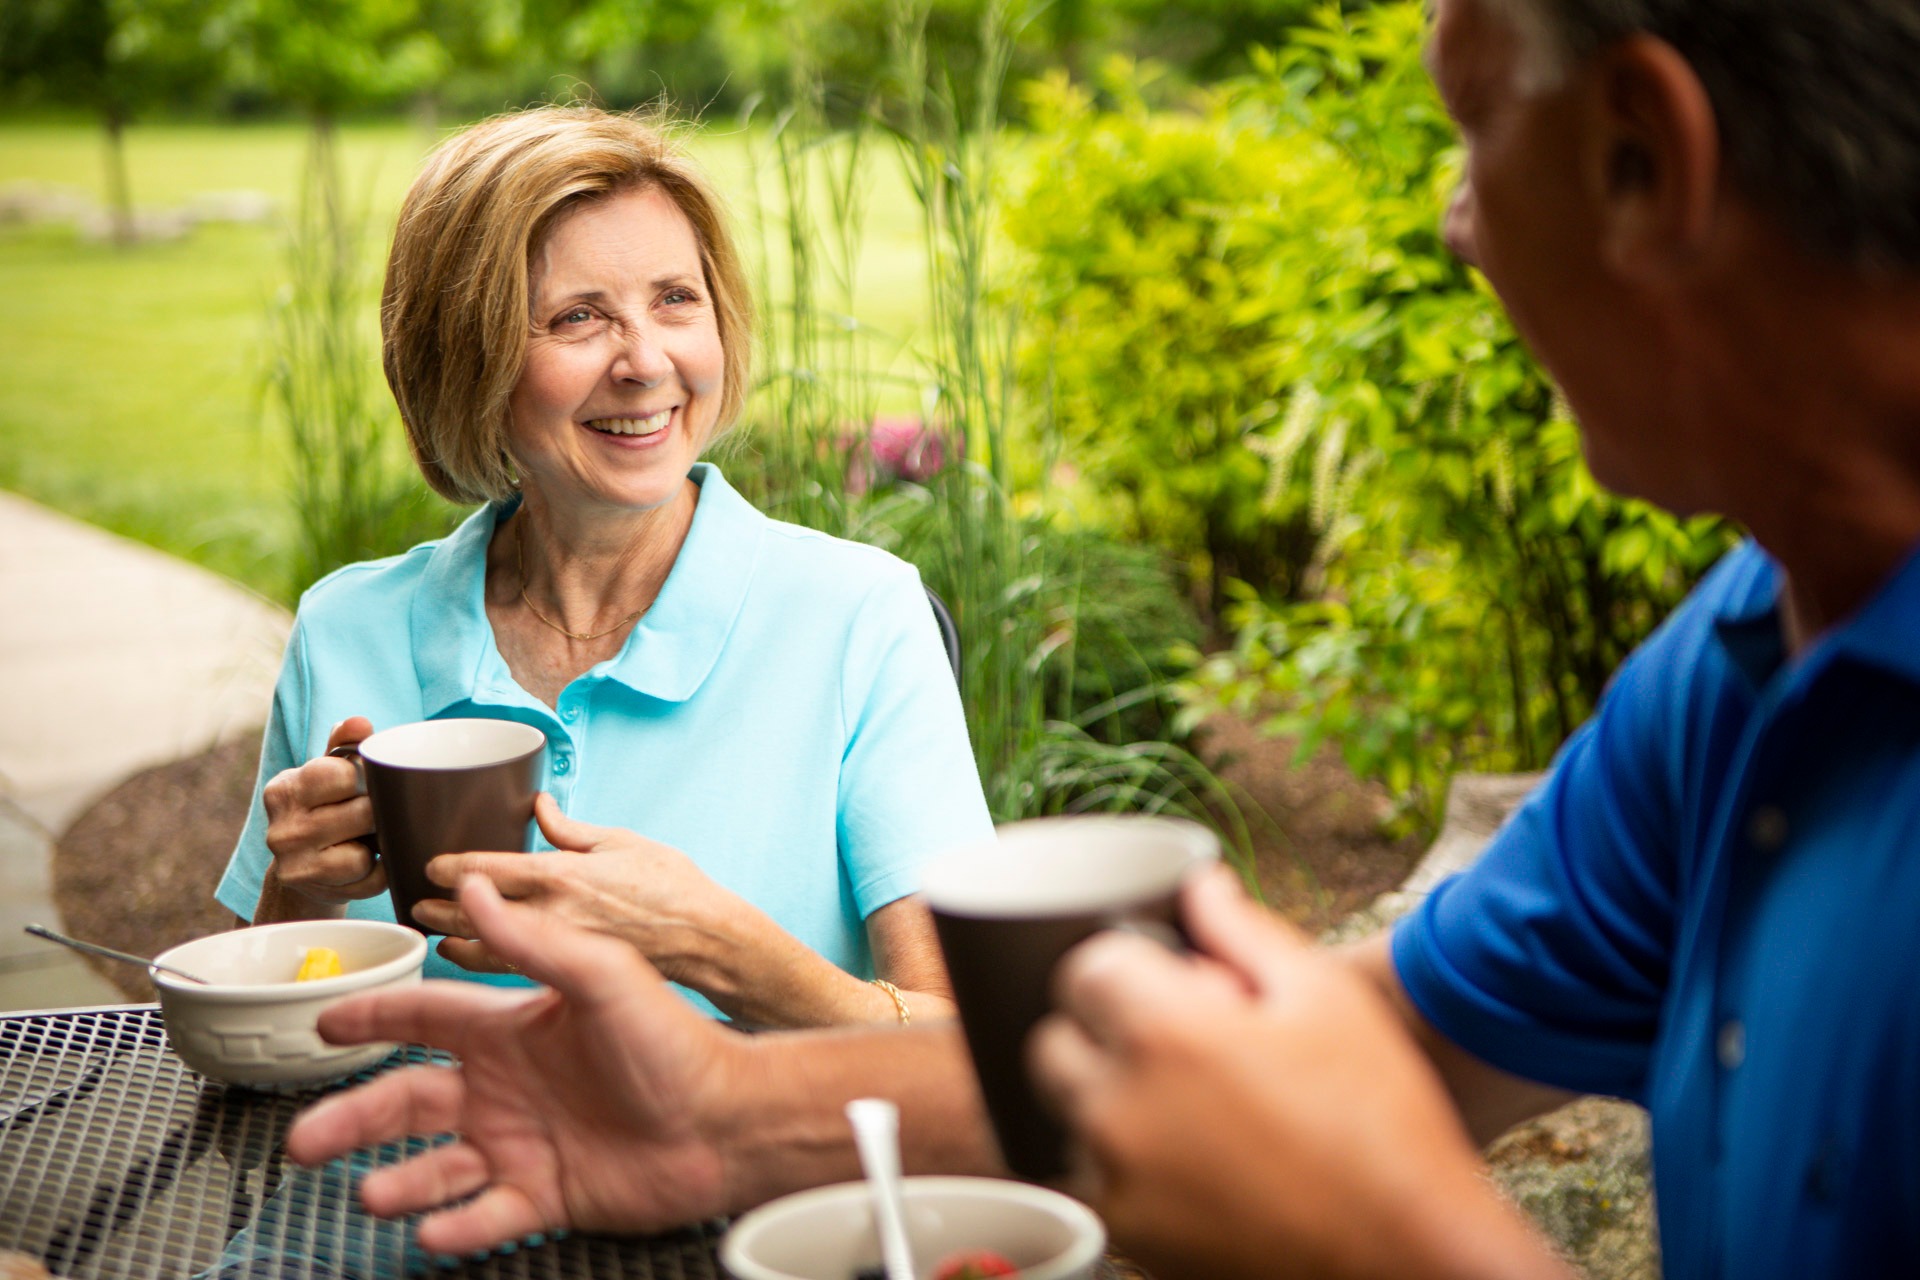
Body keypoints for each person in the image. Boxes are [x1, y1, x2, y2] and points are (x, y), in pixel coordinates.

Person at [285, 0, 1920, 1275]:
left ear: (1650, 158)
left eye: (1478, 126)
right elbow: (1385, 1052)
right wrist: (712, 1117)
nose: (1458, 223)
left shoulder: (837, 614)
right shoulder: (1734, 677)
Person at [218, 105, 992, 1029]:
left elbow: (965, 1055)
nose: (646, 361)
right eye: (578, 316)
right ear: (468, 360)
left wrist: (714, 947)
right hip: (389, 1167)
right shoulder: (347, 630)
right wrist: (301, 900)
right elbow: (245, 1057)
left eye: (675, 299)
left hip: (739, 1173)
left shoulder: (858, 617)